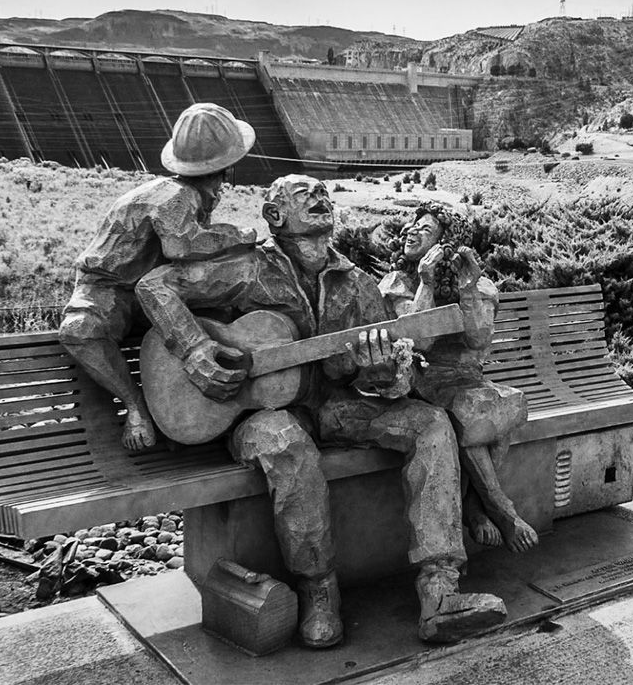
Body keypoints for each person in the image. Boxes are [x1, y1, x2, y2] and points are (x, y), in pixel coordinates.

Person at [135, 175, 507, 647]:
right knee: (285, 442)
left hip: (334, 407)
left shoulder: (359, 285)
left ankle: (439, 593)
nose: (319, 198)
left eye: (322, 193)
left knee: (430, 423)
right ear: (274, 216)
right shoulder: (248, 269)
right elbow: (155, 287)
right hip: (257, 415)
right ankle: (318, 590)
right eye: (303, 194)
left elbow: (397, 373)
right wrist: (193, 350)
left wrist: (385, 375)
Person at [58, 103, 257, 451]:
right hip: (110, 289)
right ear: (224, 169)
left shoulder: (191, 195)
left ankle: (198, 420)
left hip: (150, 289)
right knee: (80, 331)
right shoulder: (175, 196)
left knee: (218, 311)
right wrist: (238, 235)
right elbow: (182, 245)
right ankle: (136, 408)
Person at [379, 203, 537, 553]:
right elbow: (416, 341)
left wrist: (466, 290)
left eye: (425, 228)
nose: (410, 230)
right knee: (470, 412)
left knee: (498, 411)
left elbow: (478, 341)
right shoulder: (397, 283)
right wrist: (426, 283)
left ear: (446, 244)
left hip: (467, 379)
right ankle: (500, 510)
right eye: (411, 225)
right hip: (422, 378)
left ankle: (477, 508)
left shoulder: (479, 284)